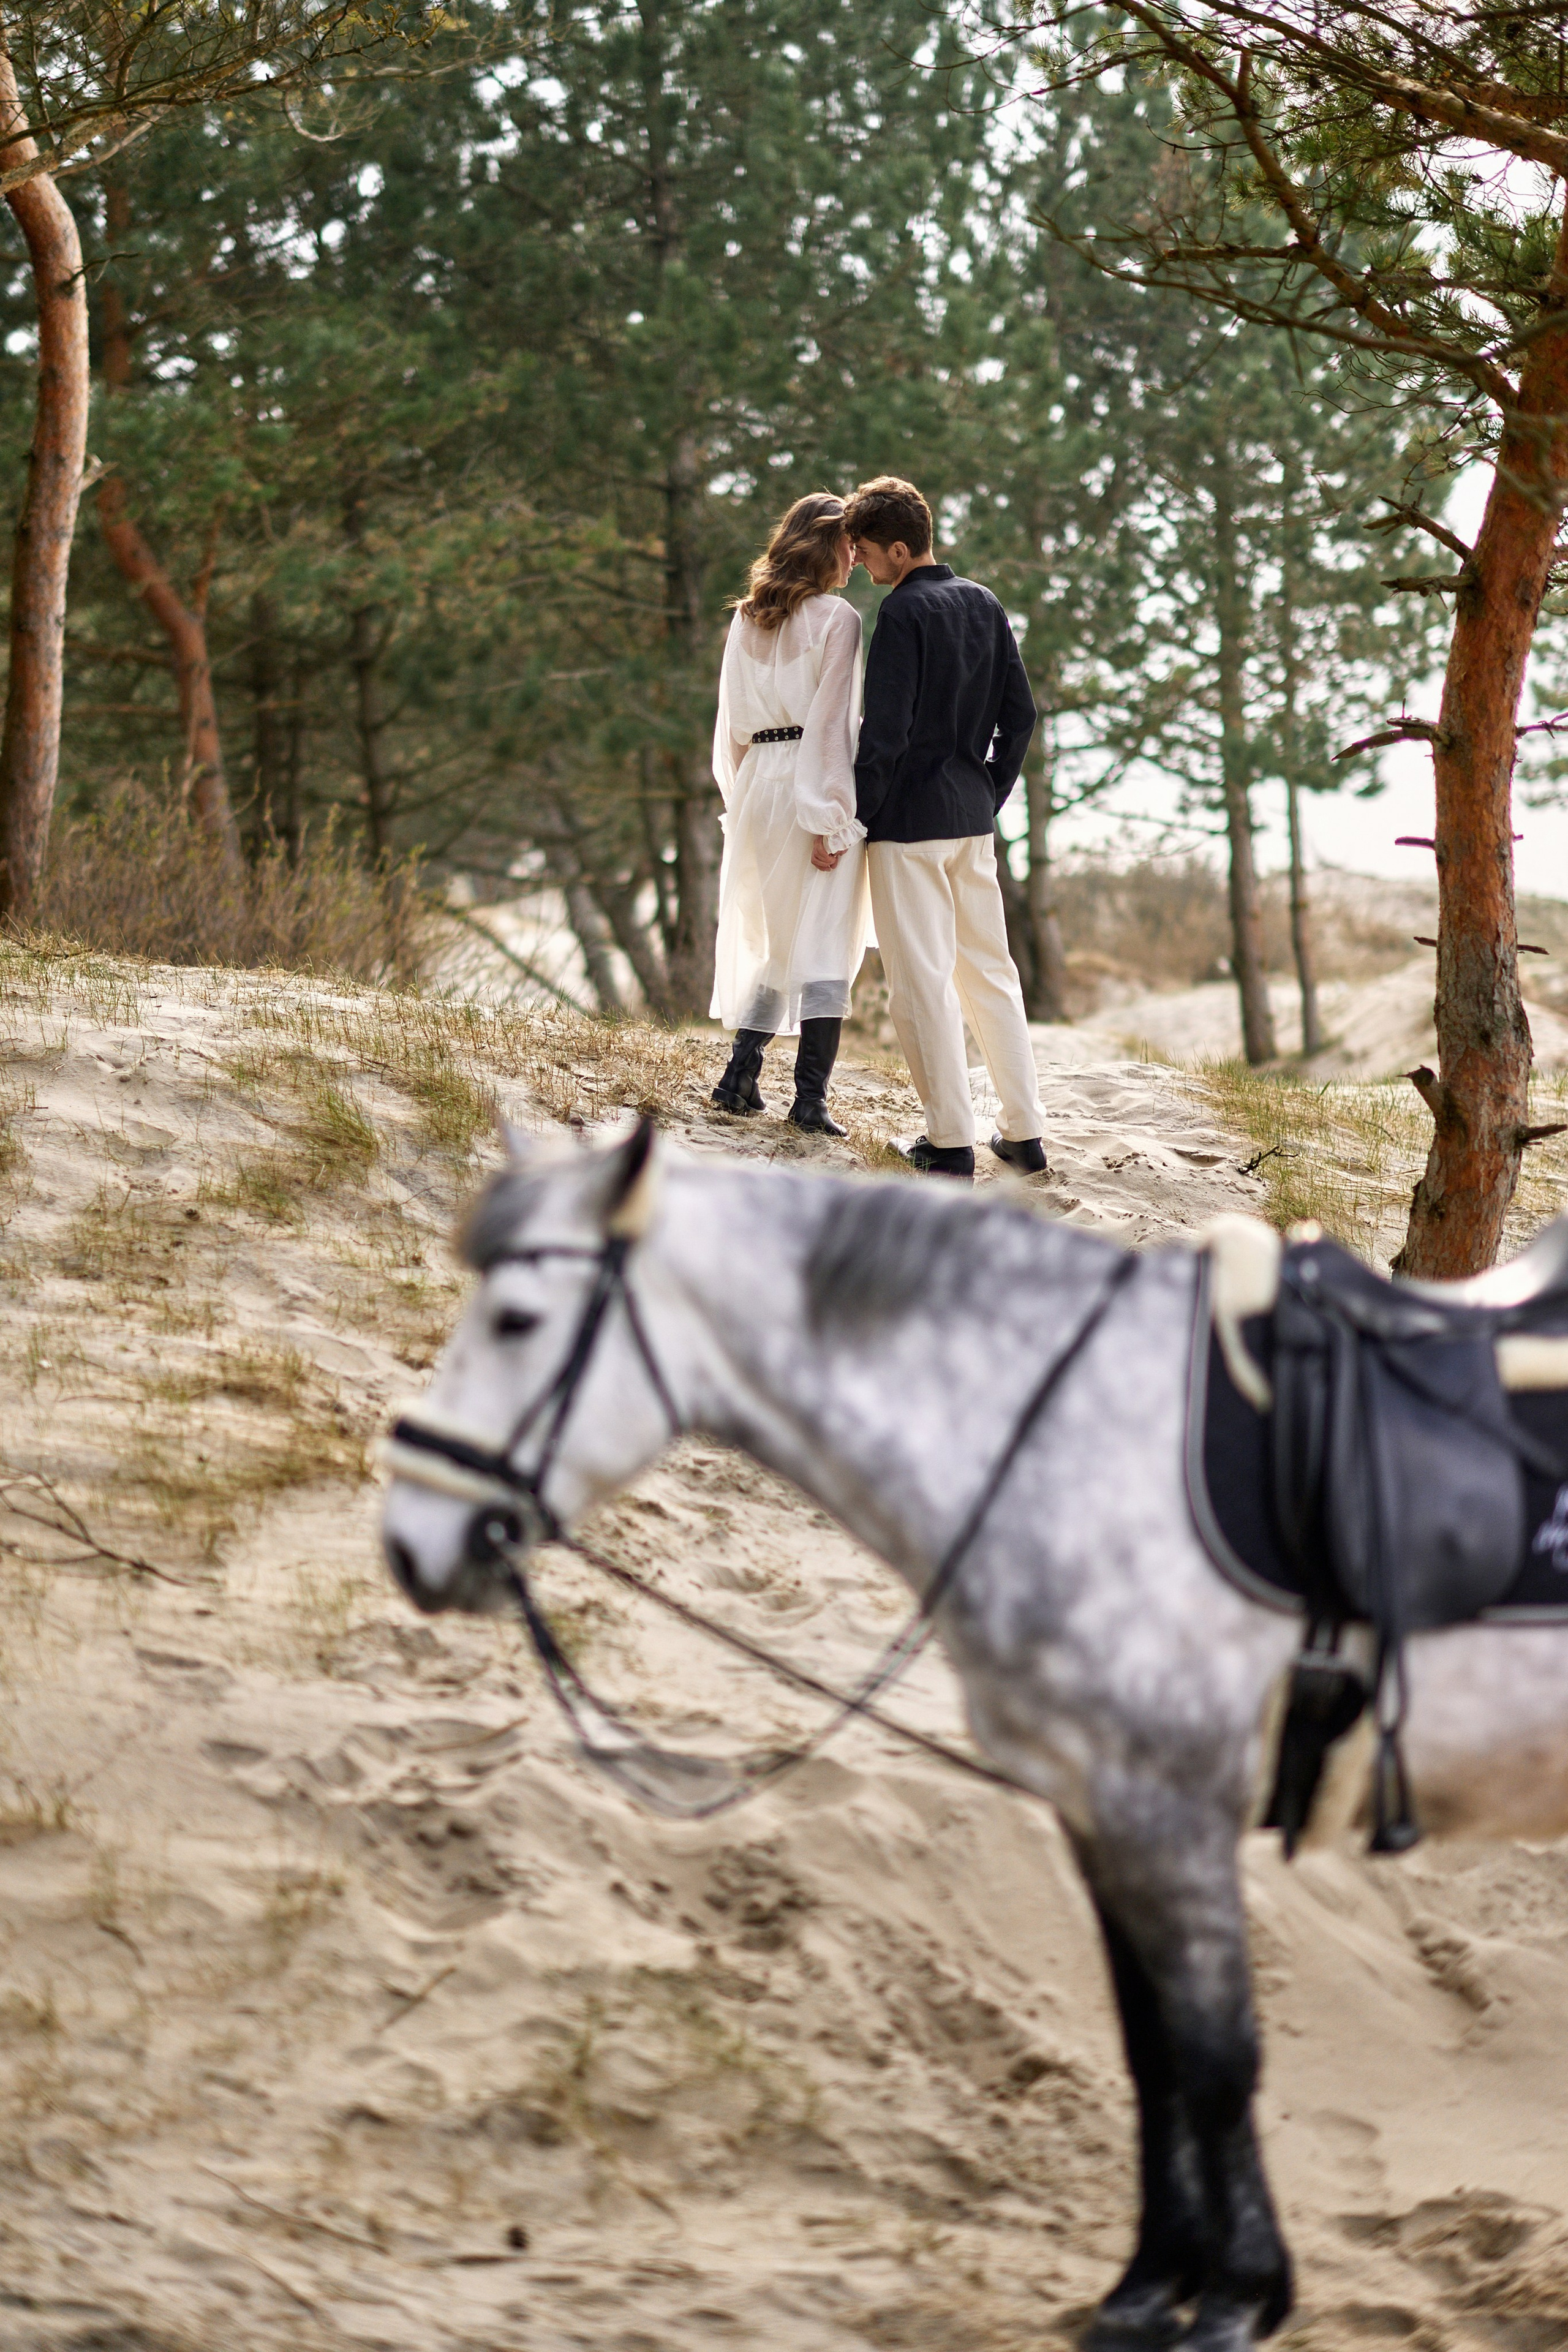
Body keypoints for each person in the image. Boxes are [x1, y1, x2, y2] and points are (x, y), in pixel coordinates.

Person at [842, 474, 1048, 1182]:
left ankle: (950, 1142)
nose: (861, 566)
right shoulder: (984, 603)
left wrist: (856, 816)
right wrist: (987, 792)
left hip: (907, 826)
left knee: (919, 983)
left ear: (900, 550)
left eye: (866, 552)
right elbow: (1020, 717)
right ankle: (1022, 1135)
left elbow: (886, 734)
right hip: (970, 821)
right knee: (990, 973)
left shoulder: (902, 614)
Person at [709, 492, 872, 1134]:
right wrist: (830, 818)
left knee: (779, 939)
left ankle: (739, 1075)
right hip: (812, 781)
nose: (855, 559)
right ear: (825, 543)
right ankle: (810, 1101)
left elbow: (730, 730)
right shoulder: (839, 619)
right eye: (848, 545)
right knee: (827, 940)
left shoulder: (747, 617)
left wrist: (738, 799)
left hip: (757, 786)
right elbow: (832, 726)